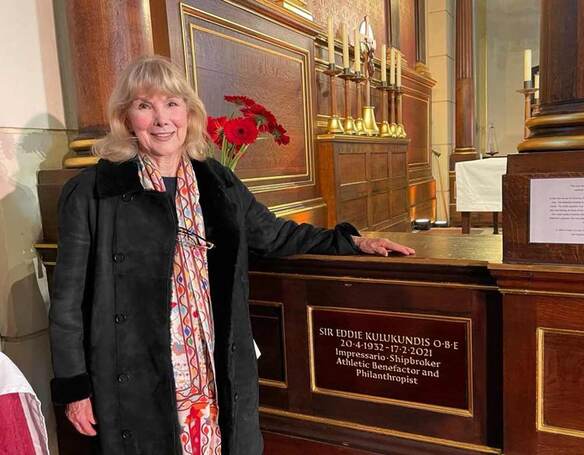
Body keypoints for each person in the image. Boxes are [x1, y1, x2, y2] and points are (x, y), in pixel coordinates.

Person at [48, 55, 414, 455]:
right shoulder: (95, 191)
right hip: (135, 375)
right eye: (144, 106)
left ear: (188, 112)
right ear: (126, 117)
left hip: (213, 369)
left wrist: (352, 242)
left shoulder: (216, 181)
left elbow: (274, 235)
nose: (161, 119)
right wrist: (75, 388)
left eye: (172, 103)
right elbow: (67, 302)